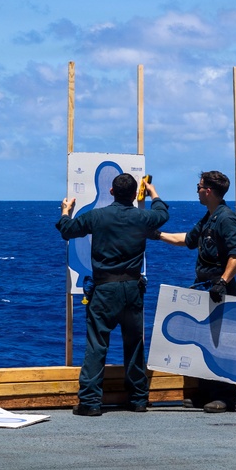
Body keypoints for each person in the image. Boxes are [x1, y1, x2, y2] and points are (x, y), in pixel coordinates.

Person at [56, 173, 169, 416]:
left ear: (111, 191)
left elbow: (67, 230)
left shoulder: (97, 216)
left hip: (105, 290)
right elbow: (162, 215)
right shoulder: (142, 217)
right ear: (133, 194)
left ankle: (90, 402)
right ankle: (138, 399)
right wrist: (153, 193)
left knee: (97, 345)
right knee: (134, 344)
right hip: (132, 289)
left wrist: (66, 210)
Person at [155, 170, 236, 413]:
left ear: (208, 190)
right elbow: (187, 240)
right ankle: (205, 392)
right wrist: (157, 235)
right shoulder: (209, 217)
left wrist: (223, 282)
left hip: (219, 288)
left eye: (199, 186)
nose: (196, 190)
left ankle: (225, 397)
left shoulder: (226, 218)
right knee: (202, 341)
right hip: (203, 287)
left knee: (221, 343)